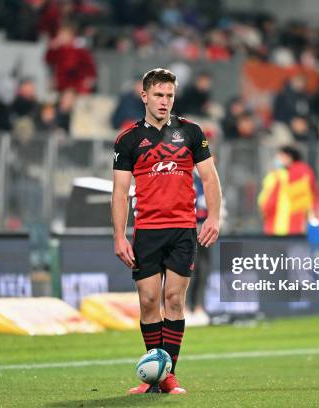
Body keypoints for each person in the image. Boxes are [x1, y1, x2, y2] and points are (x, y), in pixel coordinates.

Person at [112, 68, 221, 395]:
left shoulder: (191, 132)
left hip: (182, 230)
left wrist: (213, 217)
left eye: (169, 96)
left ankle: (166, 376)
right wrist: (119, 235)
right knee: (148, 303)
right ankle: (156, 375)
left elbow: (211, 178)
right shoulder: (128, 140)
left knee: (173, 300)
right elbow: (119, 192)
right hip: (146, 231)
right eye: (158, 95)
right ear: (144, 96)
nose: (164, 101)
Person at [257, 145, 319, 235]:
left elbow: (266, 202)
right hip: (300, 228)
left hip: (277, 227)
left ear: (288, 157)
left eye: (280, 156)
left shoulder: (278, 176)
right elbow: (313, 197)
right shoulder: (306, 172)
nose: (277, 159)